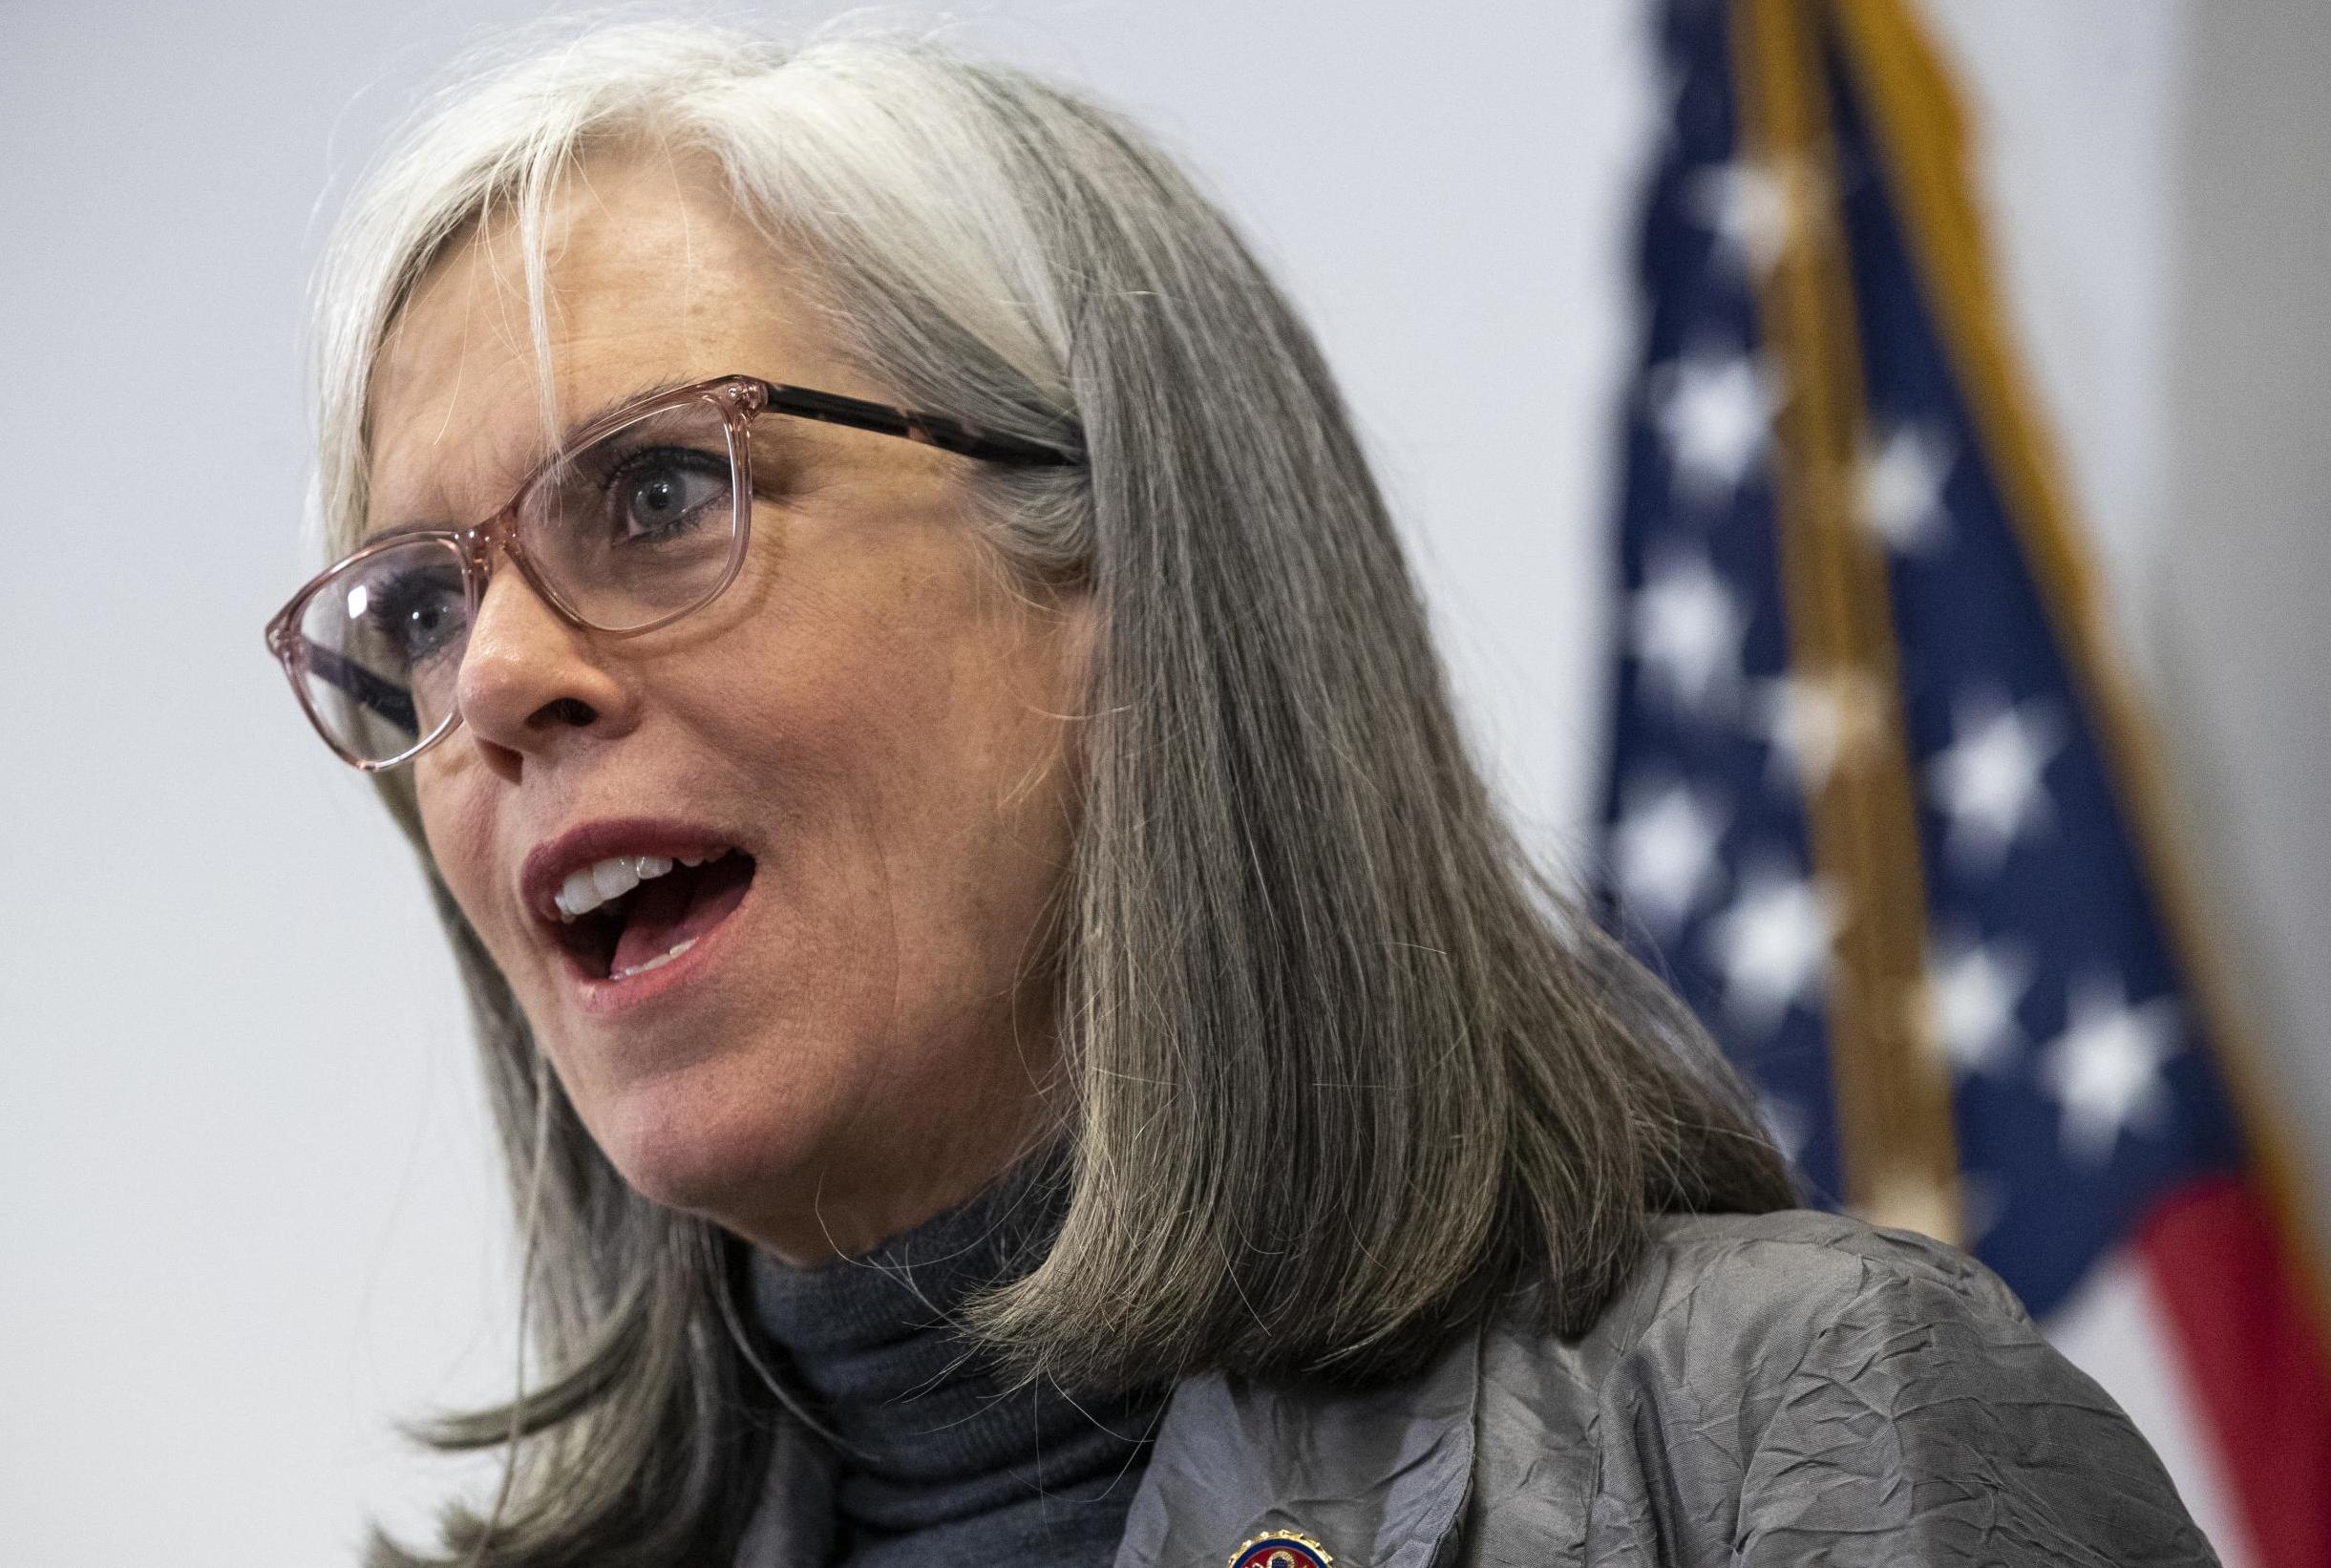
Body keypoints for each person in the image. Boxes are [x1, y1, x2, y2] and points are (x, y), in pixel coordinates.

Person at [265, 22, 2220, 1568]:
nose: (497, 683)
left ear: (1129, 566)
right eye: (417, 610)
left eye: (665, 493)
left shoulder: (1799, 1427)